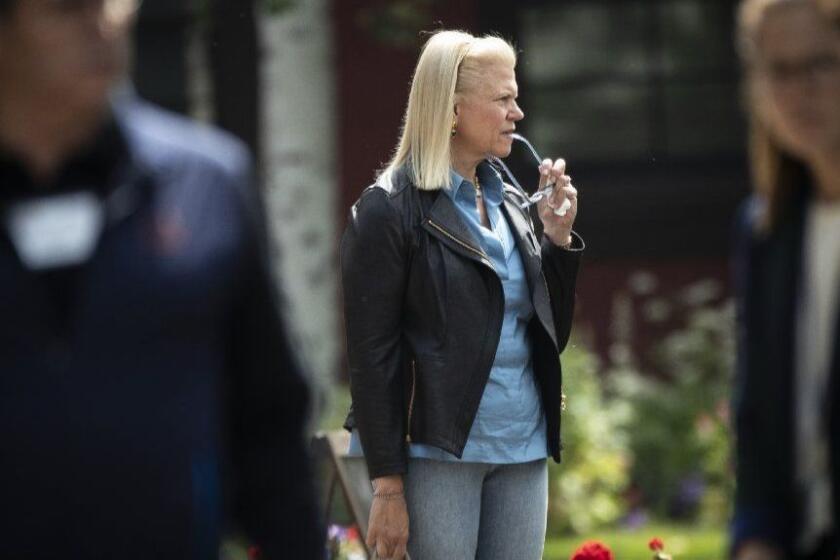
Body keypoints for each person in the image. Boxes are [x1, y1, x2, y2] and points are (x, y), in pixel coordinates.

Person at [0, 0, 321, 558]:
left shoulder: (206, 186)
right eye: (68, 10)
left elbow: (270, 439)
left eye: (108, 3)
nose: (104, 25)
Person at [341, 30, 584, 560]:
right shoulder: (388, 210)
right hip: (435, 454)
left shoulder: (514, 202)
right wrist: (387, 487)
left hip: (522, 447)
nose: (517, 113)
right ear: (452, 111)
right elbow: (372, 357)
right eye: (503, 99)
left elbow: (549, 335)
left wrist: (557, 241)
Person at [732, 1, 840, 559]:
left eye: (822, 63)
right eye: (779, 70)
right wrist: (754, 541)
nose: (799, 90)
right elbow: (760, 426)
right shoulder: (765, 231)